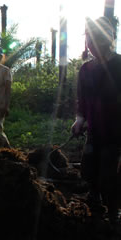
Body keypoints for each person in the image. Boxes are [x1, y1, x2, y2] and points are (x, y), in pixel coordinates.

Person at [71, 16, 121, 225]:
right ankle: (95, 201)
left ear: (107, 39)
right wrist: (79, 119)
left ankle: (113, 212)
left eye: (95, 40)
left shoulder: (119, 65)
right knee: (89, 168)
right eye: (88, 41)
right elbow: (82, 100)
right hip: (95, 129)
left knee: (110, 173)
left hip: (116, 131)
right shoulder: (86, 70)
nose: (91, 45)